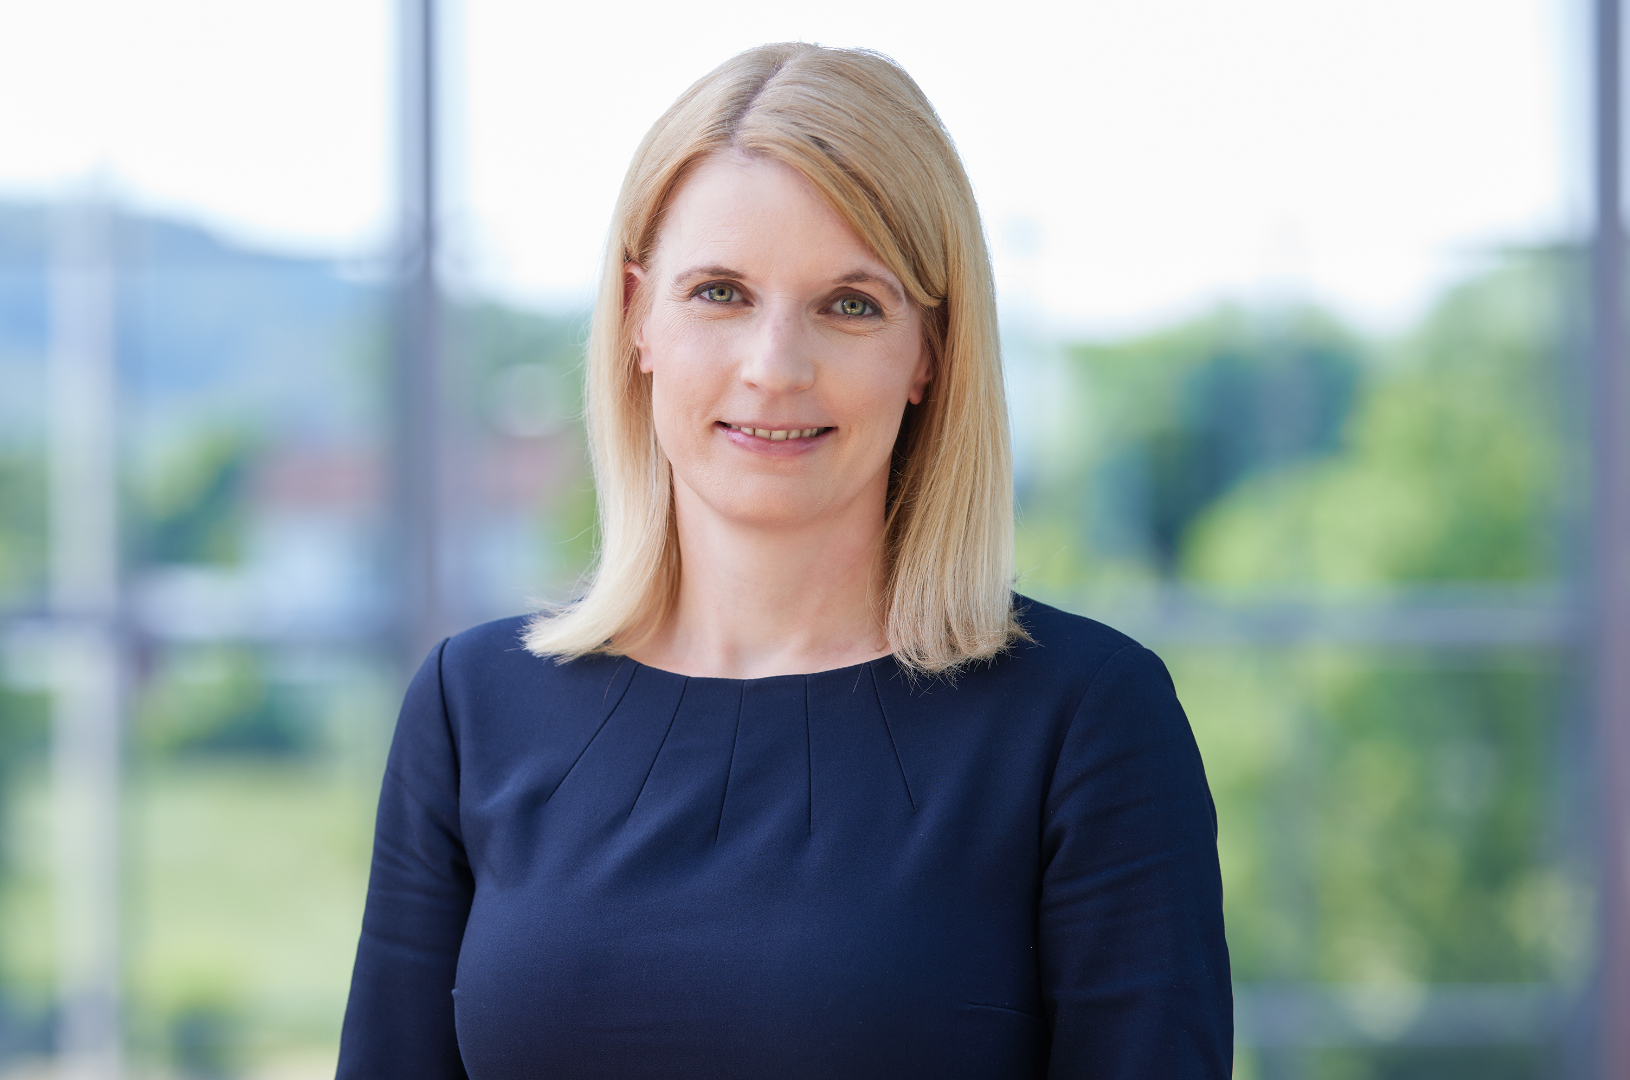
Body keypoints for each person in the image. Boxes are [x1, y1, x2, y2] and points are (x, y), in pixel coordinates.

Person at [336, 43, 1230, 1079]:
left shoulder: (1086, 723)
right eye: (720, 292)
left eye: (850, 303)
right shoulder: (470, 709)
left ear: (930, 351)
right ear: (636, 318)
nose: (774, 367)